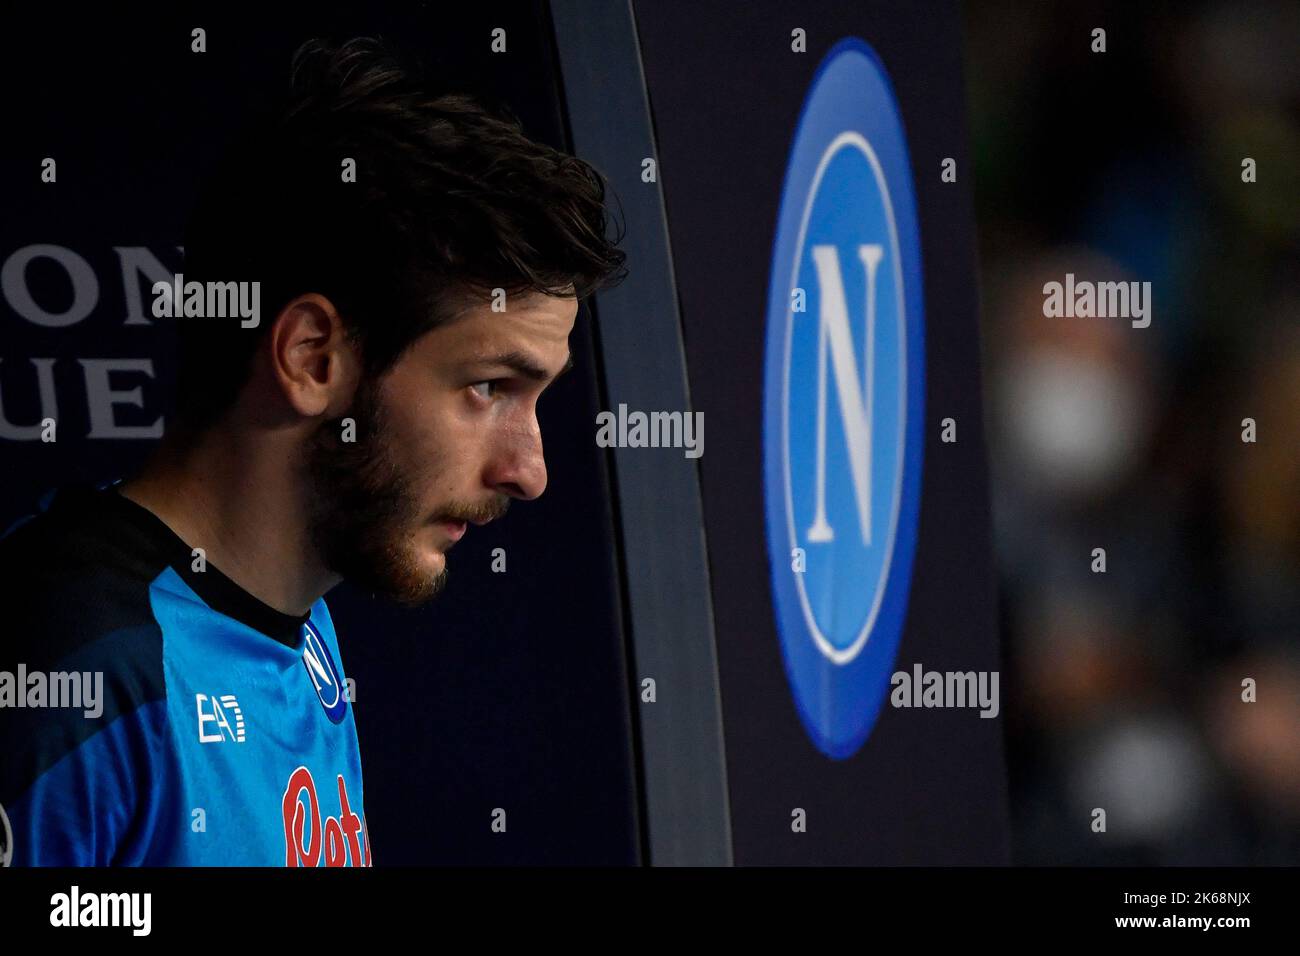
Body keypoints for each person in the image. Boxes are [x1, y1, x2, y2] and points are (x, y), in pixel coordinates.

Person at [0, 36, 626, 866]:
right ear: (312, 358)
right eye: (487, 387)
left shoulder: (301, 620)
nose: (530, 470)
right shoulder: (75, 676)